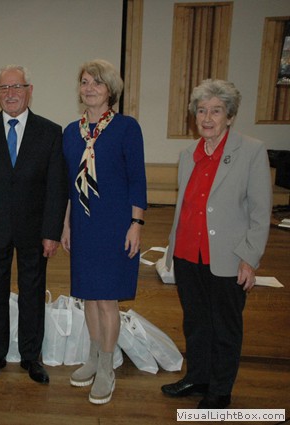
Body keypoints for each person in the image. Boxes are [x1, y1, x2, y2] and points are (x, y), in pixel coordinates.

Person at [161, 79, 272, 409]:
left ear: (230, 115)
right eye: (201, 111)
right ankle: (198, 377)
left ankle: (220, 391)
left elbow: (260, 211)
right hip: (187, 253)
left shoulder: (250, 150)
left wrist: (249, 257)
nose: (207, 118)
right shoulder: (188, 154)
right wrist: (172, 248)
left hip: (228, 256)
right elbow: (186, 205)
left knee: (225, 327)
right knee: (195, 322)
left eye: (216, 111)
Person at [0, 64, 67, 384]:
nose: (10, 94)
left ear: (29, 91)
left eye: (16, 87)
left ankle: (31, 356)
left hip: (34, 230)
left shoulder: (50, 132)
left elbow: (56, 187)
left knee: (32, 291)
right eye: (3, 88)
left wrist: (51, 232)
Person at [61, 59, 147, 405]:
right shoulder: (72, 131)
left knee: (107, 298)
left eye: (97, 82)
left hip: (115, 224)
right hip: (83, 224)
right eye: (85, 82)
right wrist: (66, 224)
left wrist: (137, 224)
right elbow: (71, 184)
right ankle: (94, 356)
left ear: (111, 89)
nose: (90, 88)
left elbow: (137, 179)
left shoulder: (126, 128)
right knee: (89, 296)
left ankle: (108, 367)